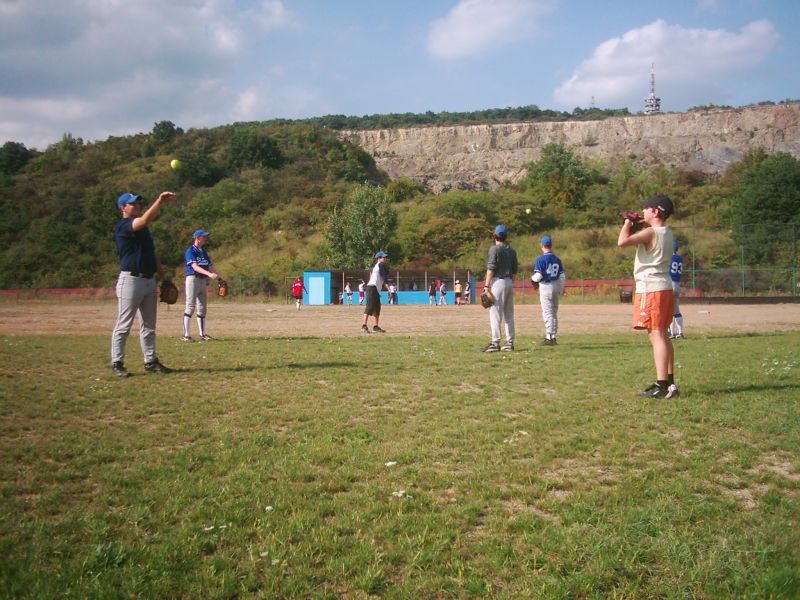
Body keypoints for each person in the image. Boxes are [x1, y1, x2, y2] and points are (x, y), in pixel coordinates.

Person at [618, 194, 679, 398]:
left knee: (656, 334)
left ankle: (661, 385)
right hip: (664, 286)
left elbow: (622, 241)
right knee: (662, 334)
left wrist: (627, 223)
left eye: (646, 209)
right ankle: (669, 382)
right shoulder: (666, 232)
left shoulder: (651, 232)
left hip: (651, 288)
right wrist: (638, 225)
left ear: (655, 211)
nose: (643, 212)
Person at [110, 191, 175, 377]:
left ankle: (150, 361)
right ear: (123, 207)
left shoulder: (143, 229)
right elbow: (144, 220)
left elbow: (153, 254)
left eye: (138, 203)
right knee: (124, 324)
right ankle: (117, 362)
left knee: (149, 325)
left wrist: (163, 278)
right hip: (130, 280)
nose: (137, 206)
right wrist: (160, 201)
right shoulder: (123, 226)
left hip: (148, 280)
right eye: (132, 204)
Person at [483, 224, 518, 352]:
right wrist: (510, 283)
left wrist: (486, 286)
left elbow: (491, 268)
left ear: (495, 236)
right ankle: (509, 342)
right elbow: (514, 271)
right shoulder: (512, 251)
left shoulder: (494, 249)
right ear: (506, 236)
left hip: (498, 281)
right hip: (509, 282)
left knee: (495, 313)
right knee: (509, 313)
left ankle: (495, 342)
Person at [182, 229, 222, 342]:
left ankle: (202, 334)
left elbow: (209, 266)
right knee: (190, 306)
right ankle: (186, 335)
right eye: (203, 237)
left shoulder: (203, 252)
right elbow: (194, 267)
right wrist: (209, 274)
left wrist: (219, 278)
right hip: (193, 279)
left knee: (202, 308)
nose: (205, 239)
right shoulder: (190, 251)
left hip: (203, 281)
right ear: (197, 238)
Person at [532, 235, 566, 345]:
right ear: (551, 245)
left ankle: (549, 336)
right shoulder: (557, 259)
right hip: (556, 284)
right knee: (554, 312)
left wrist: (532, 279)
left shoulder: (540, 259)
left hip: (546, 286)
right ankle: (553, 336)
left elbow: (538, 276)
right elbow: (562, 276)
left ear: (542, 246)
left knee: (547, 312)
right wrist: (560, 288)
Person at [362, 251, 389, 333]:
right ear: (379, 258)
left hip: (375, 289)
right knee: (370, 306)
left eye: (385, 257)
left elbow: (384, 273)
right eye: (383, 257)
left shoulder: (378, 266)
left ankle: (375, 326)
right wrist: (386, 283)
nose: (384, 259)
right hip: (371, 288)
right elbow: (384, 274)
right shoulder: (380, 264)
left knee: (377, 307)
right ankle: (364, 325)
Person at [669, 241, 685, 339]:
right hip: (677, 284)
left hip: (669, 284)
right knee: (676, 311)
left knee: (669, 310)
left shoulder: (668, 257)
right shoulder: (680, 258)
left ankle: (671, 333)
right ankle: (680, 332)